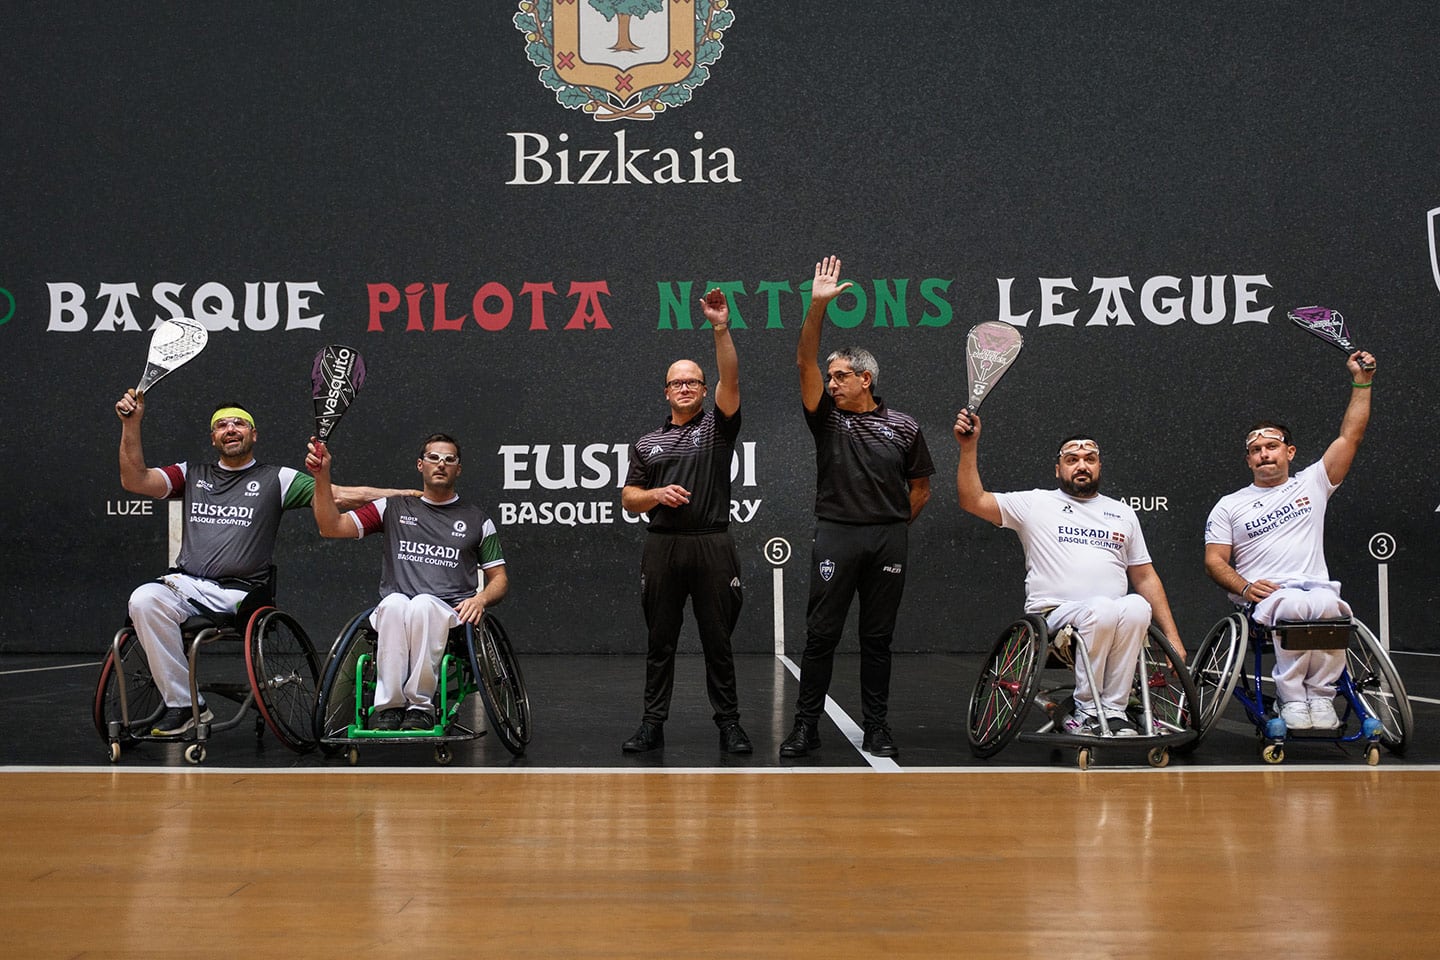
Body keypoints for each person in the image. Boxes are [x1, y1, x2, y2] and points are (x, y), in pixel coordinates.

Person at [116, 390, 405, 737]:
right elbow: (134, 480)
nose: (230, 429)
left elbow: (340, 495)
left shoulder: (277, 479)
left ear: (254, 434)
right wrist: (131, 424)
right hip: (187, 584)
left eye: (239, 423)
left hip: (241, 594)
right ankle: (184, 705)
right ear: (213, 437)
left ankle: (182, 704)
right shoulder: (191, 474)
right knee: (143, 600)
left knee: (157, 600)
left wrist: (408, 498)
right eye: (222, 425)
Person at [780, 256, 935, 759]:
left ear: (865, 378)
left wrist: (890, 526)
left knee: (877, 638)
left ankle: (877, 727)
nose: (831, 383)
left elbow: (920, 489)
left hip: (887, 540)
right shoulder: (827, 419)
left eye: (840, 376)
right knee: (821, 636)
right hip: (836, 535)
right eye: (829, 377)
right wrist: (817, 307)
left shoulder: (904, 427)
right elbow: (803, 362)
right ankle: (805, 728)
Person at [954, 410, 1185, 736]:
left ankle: (1114, 709)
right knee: (1102, 608)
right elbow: (973, 500)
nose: (1082, 465)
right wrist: (968, 447)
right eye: (1072, 459)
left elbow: (1145, 577)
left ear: (1099, 466)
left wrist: (1173, 637)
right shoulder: (1035, 504)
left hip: (1113, 618)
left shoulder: (1122, 512)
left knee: (1137, 606)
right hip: (1053, 618)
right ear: (1058, 468)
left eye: (1090, 459)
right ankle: (1087, 709)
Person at [1203, 349, 1375, 732]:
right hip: (1267, 597)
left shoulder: (1313, 483)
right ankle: (1293, 697)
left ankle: (1321, 696)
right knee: (1295, 605)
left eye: (1272, 447)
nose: (1264, 454)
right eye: (1256, 451)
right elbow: (1214, 560)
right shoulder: (1229, 505)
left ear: (1289, 452)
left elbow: (1350, 436)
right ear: (1248, 460)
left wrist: (1362, 383)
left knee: (1331, 608)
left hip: (1317, 587)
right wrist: (1244, 587)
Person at [619, 289, 751, 755]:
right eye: (677, 383)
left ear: (704, 389)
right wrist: (655, 494)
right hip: (663, 547)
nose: (685, 387)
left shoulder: (717, 427)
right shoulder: (647, 443)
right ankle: (652, 724)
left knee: (718, 641)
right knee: (661, 642)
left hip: (711, 543)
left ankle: (729, 724)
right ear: (666, 391)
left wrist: (720, 327)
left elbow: (731, 377)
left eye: (693, 381)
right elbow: (629, 497)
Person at [309, 433, 508, 732]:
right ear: (420, 465)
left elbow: (499, 578)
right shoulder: (391, 508)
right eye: (433, 457)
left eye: (449, 459)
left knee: (424, 605)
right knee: (393, 604)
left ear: (458, 469)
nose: (441, 464)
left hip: (450, 613)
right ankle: (389, 707)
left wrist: (480, 599)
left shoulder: (478, 520)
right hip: (398, 608)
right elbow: (331, 527)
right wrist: (322, 476)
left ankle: (420, 706)